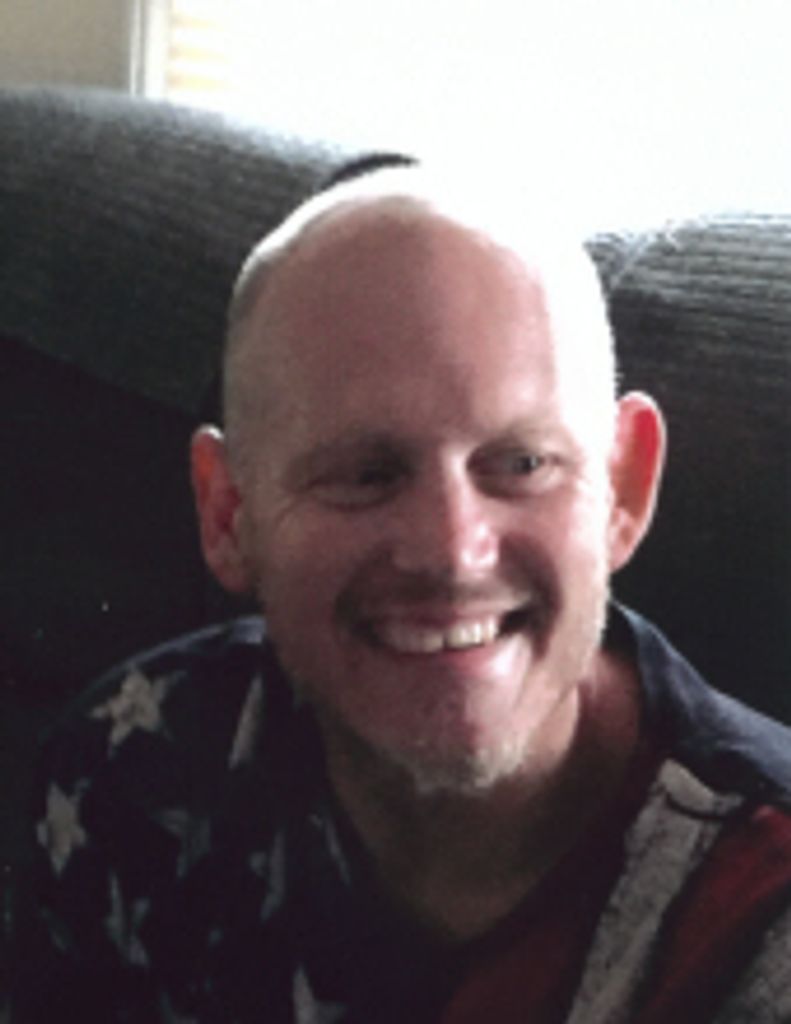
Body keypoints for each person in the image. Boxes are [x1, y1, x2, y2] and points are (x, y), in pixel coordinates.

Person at [15, 163, 791, 1023]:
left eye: (521, 463)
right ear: (229, 512)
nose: (452, 552)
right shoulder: (129, 769)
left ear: (624, 488)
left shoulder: (762, 921)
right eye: (365, 473)